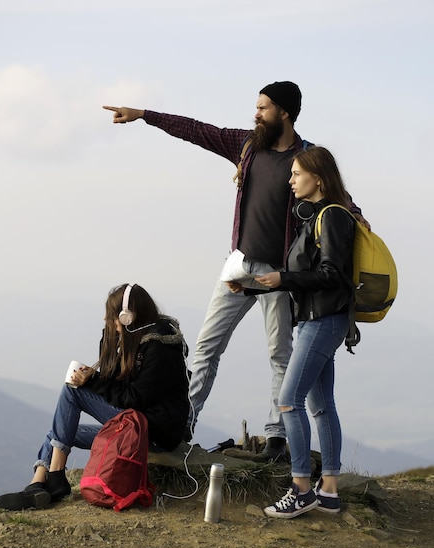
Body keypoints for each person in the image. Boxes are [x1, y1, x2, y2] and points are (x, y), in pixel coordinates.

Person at [103, 82, 367, 460]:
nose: (256, 114)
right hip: (239, 265)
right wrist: (145, 115)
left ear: (285, 114)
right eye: (257, 107)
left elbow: (336, 193)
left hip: (281, 274)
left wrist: (357, 216)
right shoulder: (247, 146)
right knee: (206, 347)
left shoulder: (306, 158)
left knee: (280, 354)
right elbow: (196, 130)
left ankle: (276, 439)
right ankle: (182, 426)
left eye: (263, 108)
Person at [0, 283, 190, 511]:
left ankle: (56, 477)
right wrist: (109, 341)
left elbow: (133, 399)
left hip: (152, 433)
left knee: (72, 391)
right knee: (63, 430)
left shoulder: (160, 348)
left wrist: (93, 381)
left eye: (113, 319)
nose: (113, 325)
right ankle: (37, 484)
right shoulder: (139, 339)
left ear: (127, 317)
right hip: (135, 426)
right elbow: (115, 380)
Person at [254, 146, 356, 518]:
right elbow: (307, 275)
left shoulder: (331, 217)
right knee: (320, 404)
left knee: (288, 400)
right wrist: (257, 286)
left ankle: (300, 488)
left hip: (324, 320)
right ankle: (328, 490)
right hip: (319, 319)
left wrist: (283, 277)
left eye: (296, 174)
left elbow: (331, 275)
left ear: (318, 178)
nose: (290, 180)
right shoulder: (317, 218)